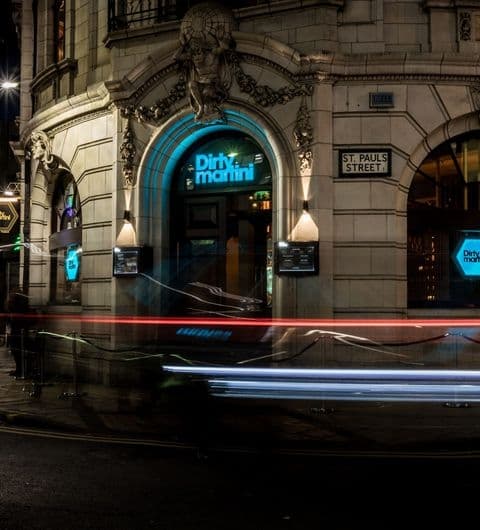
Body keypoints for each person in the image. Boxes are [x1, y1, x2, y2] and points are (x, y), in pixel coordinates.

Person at [6, 290, 30, 377]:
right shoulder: (19, 308)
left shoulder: (16, 309)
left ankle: (20, 370)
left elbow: (13, 321)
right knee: (16, 352)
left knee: (17, 352)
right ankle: (20, 369)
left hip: (17, 333)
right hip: (17, 332)